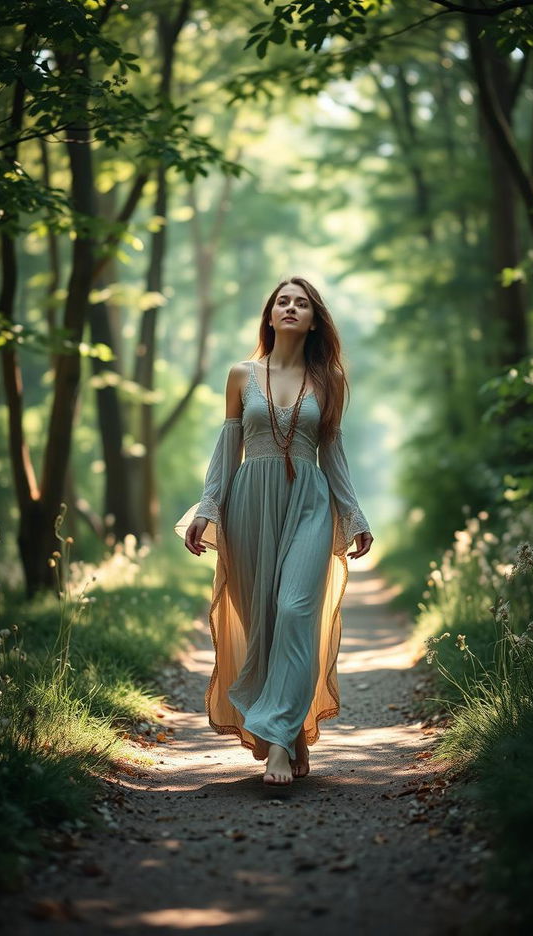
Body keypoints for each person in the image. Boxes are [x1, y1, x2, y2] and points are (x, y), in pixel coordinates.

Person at [175, 277, 373, 787]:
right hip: (249, 505)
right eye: (282, 301)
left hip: (309, 504)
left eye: (301, 303)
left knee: (294, 610)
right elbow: (226, 452)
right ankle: (289, 732)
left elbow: (333, 453)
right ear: (269, 315)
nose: (290, 308)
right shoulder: (241, 375)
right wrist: (208, 508)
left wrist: (352, 514)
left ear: (313, 319)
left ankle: (280, 743)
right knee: (262, 620)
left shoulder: (327, 379)